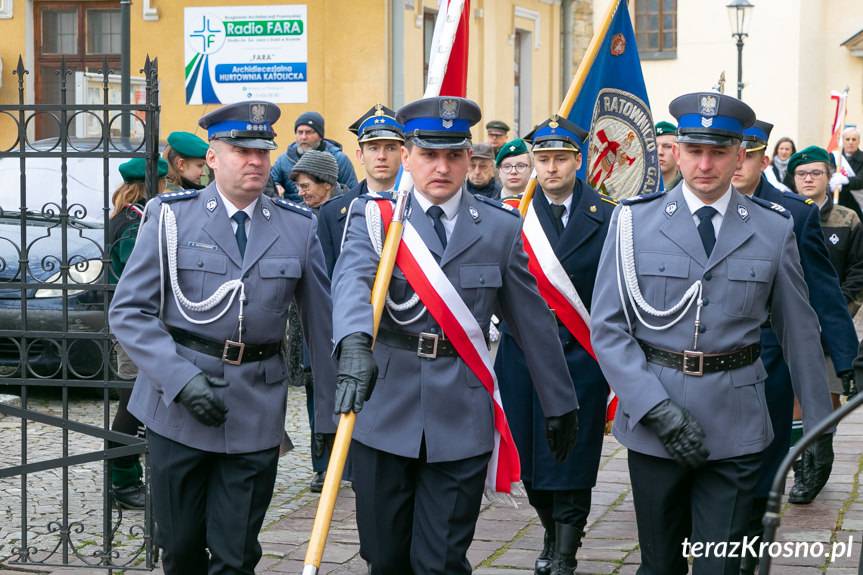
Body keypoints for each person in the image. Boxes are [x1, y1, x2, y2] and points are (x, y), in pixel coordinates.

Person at [330, 96, 580, 575]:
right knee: (384, 558)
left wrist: (560, 401)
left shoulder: (500, 229)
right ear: (408, 156)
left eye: (453, 155)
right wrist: (356, 344)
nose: (441, 167)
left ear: (470, 158)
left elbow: (531, 321)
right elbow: (350, 284)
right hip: (385, 408)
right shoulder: (374, 218)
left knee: (441, 560)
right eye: (429, 155)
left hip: (460, 414)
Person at [590, 92, 834, 575]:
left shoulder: (772, 228)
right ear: (676, 151)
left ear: (740, 155)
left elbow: (799, 331)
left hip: (737, 422)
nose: (705, 164)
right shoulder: (633, 222)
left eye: (719, 151)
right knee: (660, 565)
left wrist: (819, 427)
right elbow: (609, 328)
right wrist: (656, 410)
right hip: (655, 417)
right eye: (694, 150)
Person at [109, 101, 336, 575]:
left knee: (237, 555)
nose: (254, 160)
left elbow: (322, 324)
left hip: (254, 409)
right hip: (177, 409)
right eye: (239, 149)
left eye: (262, 150)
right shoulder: (170, 218)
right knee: (181, 549)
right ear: (212, 157)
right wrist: (179, 378)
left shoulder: (297, 226)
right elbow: (128, 312)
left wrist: (330, 418)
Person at [729, 124, 853, 572]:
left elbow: (823, 292)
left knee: (762, 469)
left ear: (763, 160)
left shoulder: (793, 214)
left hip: (768, 358)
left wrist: (847, 356)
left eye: (746, 155)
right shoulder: (695, 207)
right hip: (705, 368)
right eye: (731, 153)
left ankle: (747, 558)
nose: (735, 164)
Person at [495, 115, 615, 575]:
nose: (550, 169)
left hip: (580, 354)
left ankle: (565, 547)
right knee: (529, 456)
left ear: (577, 161)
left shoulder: (605, 216)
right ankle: (550, 529)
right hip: (523, 355)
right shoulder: (512, 216)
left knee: (573, 454)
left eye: (560, 159)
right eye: (541, 160)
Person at [107, 156, 168, 509]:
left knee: (138, 402)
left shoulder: (127, 216)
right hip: (135, 325)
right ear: (152, 184)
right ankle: (123, 480)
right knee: (132, 406)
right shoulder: (134, 223)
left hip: (135, 323)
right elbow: (137, 276)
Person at [788, 145, 863, 397]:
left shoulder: (847, 219)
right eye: (801, 173)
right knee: (790, 397)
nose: (808, 178)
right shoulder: (781, 215)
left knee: (826, 397)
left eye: (816, 173)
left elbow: (859, 270)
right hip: (789, 323)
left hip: (830, 326)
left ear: (829, 176)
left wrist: (840, 306)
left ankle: (823, 439)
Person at [318, 104, 405, 276]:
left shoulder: (418, 206)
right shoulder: (332, 212)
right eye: (373, 148)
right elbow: (326, 278)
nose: (381, 156)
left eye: (390, 147)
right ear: (360, 156)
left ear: (403, 154)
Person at [270, 111, 358, 200]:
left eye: (308, 132)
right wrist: (276, 186)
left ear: (320, 135)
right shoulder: (284, 160)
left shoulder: (339, 159)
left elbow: (353, 192)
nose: (303, 137)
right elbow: (270, 183)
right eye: (300, 132)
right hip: (292, 211)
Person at [833, 126, 863, 220]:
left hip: (857, 204)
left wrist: (845, 180)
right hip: (839, 201)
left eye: (854, 139)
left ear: (859, 141)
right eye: (847, 139)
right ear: (843, 141)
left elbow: (860, 181)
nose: (851, 142)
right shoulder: (833, 157)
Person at [655, 121, 681, 190]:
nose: (660, 152)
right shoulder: (637, 187)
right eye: (654, 146)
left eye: (667, 146)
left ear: (678, 150)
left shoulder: (688, 188)